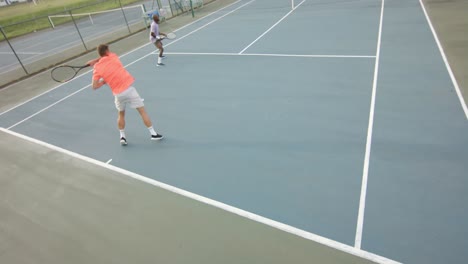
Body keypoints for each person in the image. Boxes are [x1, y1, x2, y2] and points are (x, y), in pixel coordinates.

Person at [87, 44, 163, 145]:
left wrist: (103, 81)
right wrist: (96, 60)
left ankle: (122, 137)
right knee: (142, 112)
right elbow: (105, 56)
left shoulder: (97, 68)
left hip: (118, 95)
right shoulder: (113, 56)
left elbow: (94, 86)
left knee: (121, 114)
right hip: (129, 90)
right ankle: (153, 134)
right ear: (107, 50)